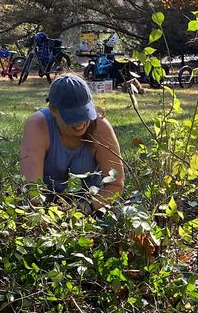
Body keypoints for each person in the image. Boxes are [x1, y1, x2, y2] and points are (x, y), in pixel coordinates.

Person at [19, 73, 124, 211]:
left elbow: (115, 186)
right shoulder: (38, 125)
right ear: (53, 110)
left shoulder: (101, 127)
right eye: (73, 117)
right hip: (45, 207)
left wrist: (88, 207)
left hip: (91, 205)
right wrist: (48, 215)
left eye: (84, 114)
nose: (80, 123)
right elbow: (32, 189)